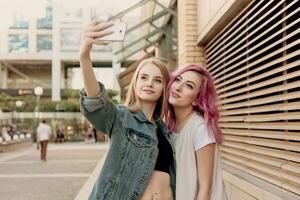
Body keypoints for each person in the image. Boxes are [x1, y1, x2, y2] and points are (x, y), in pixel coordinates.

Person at [79, 20, 175, 200]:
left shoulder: (164, 130)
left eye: (157, 80)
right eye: (144, 77)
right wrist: (84, 56)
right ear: (135, 83)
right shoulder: (122, 117)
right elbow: (95, 101)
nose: (149, 83)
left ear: (164, 88)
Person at [165, 64, 227, 200]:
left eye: (189, 86)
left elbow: (206, 189)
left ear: (196, 99)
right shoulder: (168, 126)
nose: (178, 87)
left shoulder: (201, 129)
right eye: (178, 79)